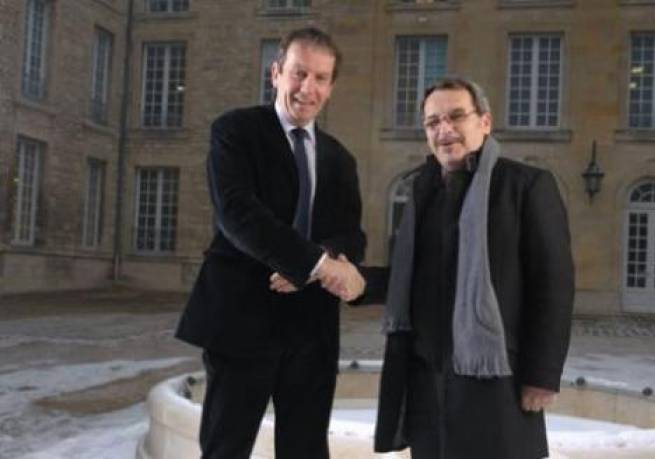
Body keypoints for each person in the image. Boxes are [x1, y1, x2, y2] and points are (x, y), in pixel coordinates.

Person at [356, 78, 575, 459]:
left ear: (485, 122)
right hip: (427, 379)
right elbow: (412, 280)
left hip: (496, 381)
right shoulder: (422, 190)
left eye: (457, 116)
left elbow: (552, 285)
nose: (445, 130)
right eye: (433, 122)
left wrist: (542, 375)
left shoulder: (524, 186)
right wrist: (357, 283)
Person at [175, 27, 366, 459]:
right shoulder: (235, 132)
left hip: (311, 331)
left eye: (320, 78)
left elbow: (350, 235)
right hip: (241, 323)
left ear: (331, 87)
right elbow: (238, 215)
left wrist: (313, 268)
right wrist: (315, 264)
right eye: (299, 73)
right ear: (276, 73)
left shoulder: (340, 158)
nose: (308, 88)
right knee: (226, 449)